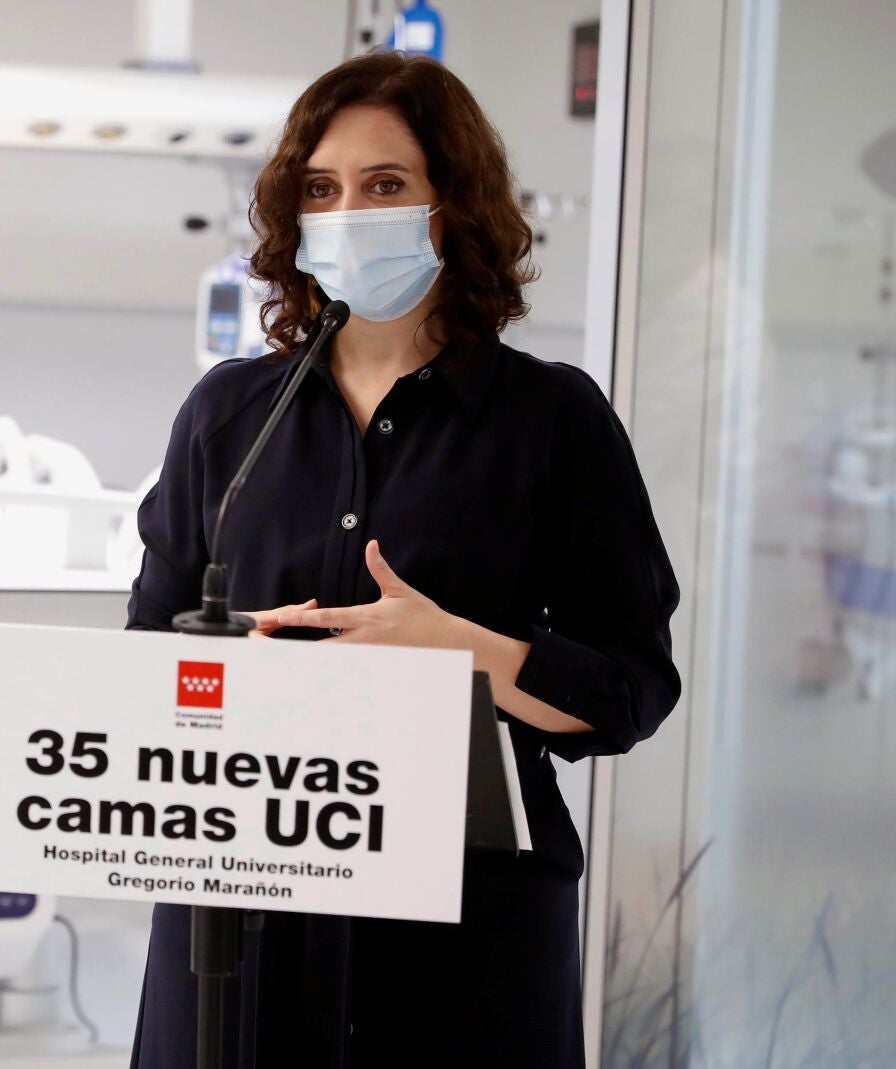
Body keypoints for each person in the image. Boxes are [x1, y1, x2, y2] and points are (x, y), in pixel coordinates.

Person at [124, 50, 681, 1068]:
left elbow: (632, 691)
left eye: (385, 185)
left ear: (452, 205)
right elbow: (147, 652)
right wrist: (230, 669)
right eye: (320, 189)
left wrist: (467, 653)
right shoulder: (227, 416)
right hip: (240, 923)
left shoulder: (551, 420)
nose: (348, 213)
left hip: (460, 947)